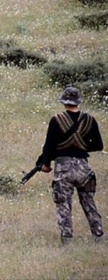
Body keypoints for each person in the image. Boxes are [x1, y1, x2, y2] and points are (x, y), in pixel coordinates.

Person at [36, 86, 104, 246]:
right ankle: (99, 236)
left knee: (63, 205)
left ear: (64, 102)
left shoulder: (57, 120)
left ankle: (67, 240)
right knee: (89, 203)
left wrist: (46, 164)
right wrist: (80, 147)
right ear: (78, 101)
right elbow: (99, 145)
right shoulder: (90, 120)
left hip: (63, 169)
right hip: (84, 169)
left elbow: (49, 146)